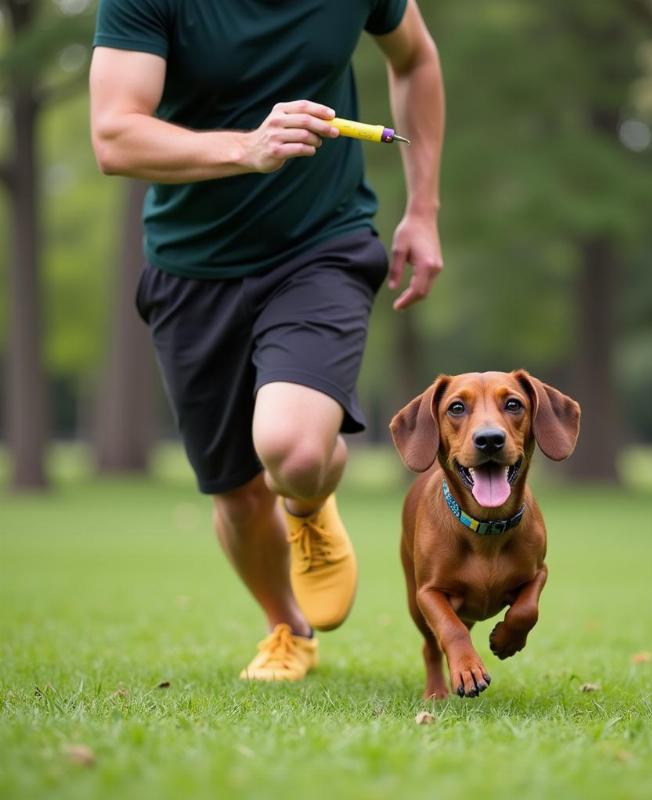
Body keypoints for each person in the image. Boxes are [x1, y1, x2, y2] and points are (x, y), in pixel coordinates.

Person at [89, 0, 444, 682]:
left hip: (321, 243)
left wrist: (423, 209)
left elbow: (416, 58)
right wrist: (246, 147)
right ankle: (287, 625)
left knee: (293, 449)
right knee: (240, 493)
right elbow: (114, 137)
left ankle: (307, 502)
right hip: (191, 265)